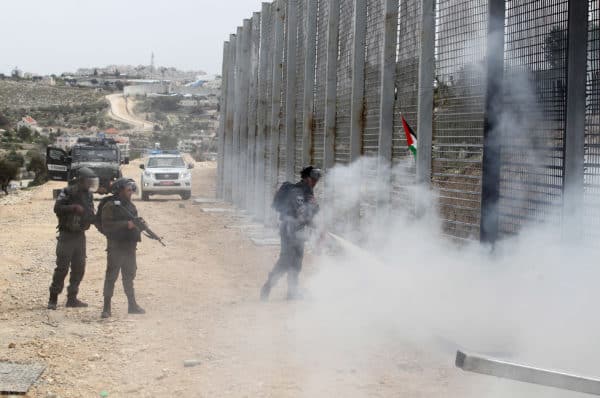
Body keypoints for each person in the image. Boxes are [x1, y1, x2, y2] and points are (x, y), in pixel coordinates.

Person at [260, 166, 321, 301]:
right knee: (285, 261)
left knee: (297, 262)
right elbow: (302, 214)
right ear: (306, 178)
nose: (315, 182)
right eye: (313, 179)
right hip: (290, 229)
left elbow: (308, 214)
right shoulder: (297, 192)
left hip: (299, 231)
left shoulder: (307, 191)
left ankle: (292, 292)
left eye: (317, 180)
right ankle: (268, 286)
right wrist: (315, 213)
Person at [48, 167, 98, 310]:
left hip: (80, 235)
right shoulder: (67, 192)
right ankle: (53, 299)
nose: (90, 184)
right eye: (88, 181)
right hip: (67, 235)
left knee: (79, 268)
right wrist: (73, 208)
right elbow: (57, 208)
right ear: (81, 180)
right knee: (62, 268)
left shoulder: (88, 195)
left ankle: (72, 298)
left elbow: (90, 214)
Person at [100, 178, 145, 318]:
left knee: (129, 276)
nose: (131, 192)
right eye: (128, 190)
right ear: (120, 191)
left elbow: (135, 223)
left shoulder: (131, 206)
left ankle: (132, 305)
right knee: (111, 277)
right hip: (116, 247)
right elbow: (106, 225)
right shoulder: (110, 205)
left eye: (132, 189)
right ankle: (106, 308)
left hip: (129, 247)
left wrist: (140, 225)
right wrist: (126, 224)